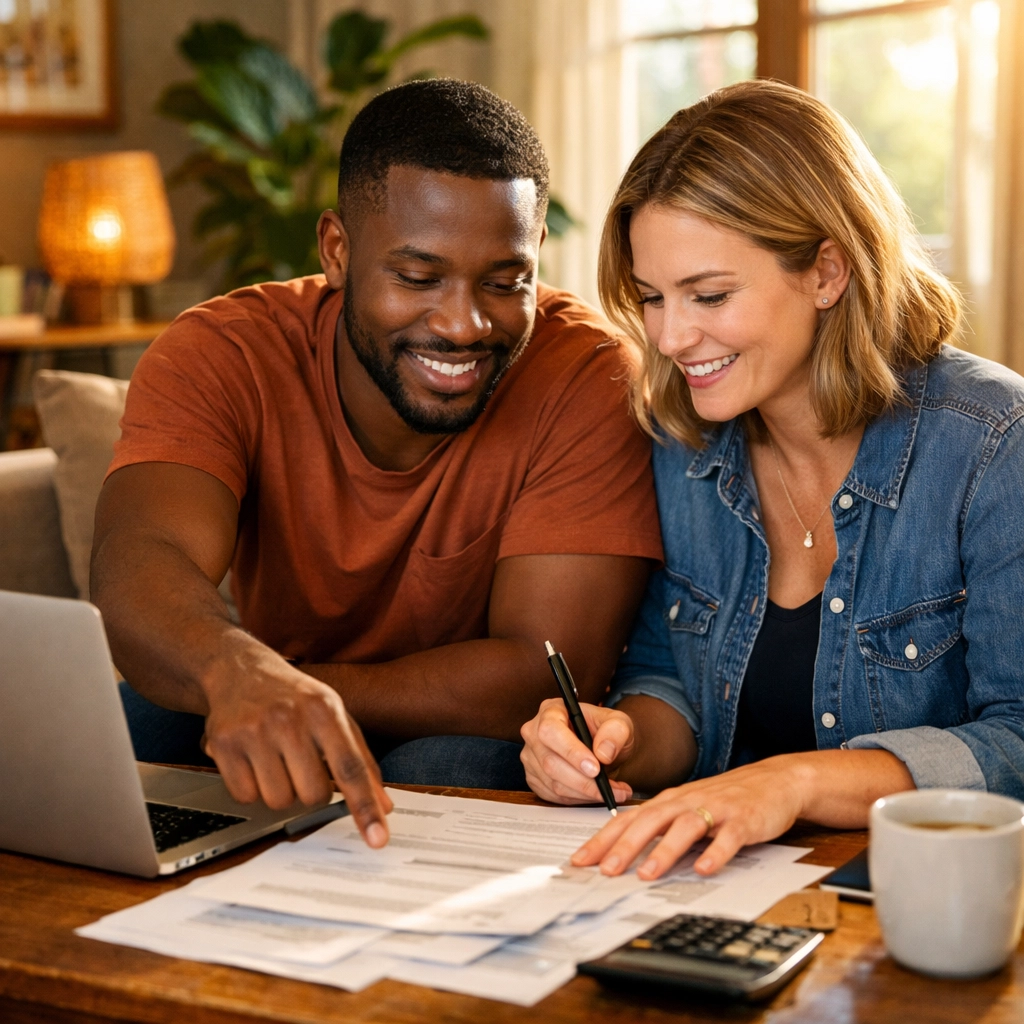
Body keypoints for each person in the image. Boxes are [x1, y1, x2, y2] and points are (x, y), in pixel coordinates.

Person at [91, 80, 663, 848]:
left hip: (465, 729)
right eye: (418, 278)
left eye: (504, 282)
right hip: (264, 691)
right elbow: (139, 563)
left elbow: (546, 671)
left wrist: (295, 686)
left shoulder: (586, 373)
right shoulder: (223, 352)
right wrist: (237, 675)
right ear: (337, 250)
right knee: (127, 725)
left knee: (451, 762)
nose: (464, 324)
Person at [520, 79, 1024, 881]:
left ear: (827, 272)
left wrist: (791, 783)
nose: (673, 337)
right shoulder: (683, 443)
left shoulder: (992, 442)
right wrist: (613, 739)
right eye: (652, 298)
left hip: (925, 903)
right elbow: (668, 681)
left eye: (710, 295)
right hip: (728, 891)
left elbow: (1018, 744)